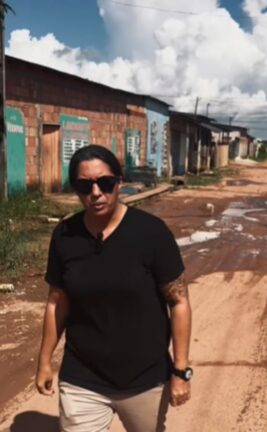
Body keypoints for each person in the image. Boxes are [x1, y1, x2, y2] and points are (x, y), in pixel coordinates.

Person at [36, 145, 193, 432]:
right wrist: (44, 361)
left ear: (120, 182)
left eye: (105, 183)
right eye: (85, 186)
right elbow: (56, 303)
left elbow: (179, 302)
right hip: (83, 376)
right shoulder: (64, 236)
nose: (95, 193)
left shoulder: (151, 233)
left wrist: (181, 370)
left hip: (145, 379)